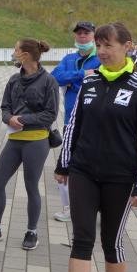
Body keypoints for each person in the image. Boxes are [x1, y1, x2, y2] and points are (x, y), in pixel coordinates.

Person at [47, 22, 137, 272]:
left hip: (120, 178)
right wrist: (64, 163)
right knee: (82, 238)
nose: (102, 51)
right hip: (84, 171)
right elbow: (74, 125)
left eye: (108, 45)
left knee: (111, 242)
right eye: (99, 45)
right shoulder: (90, 81)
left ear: (127, 45)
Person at [0, 38, 59, 250]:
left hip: (36, 141)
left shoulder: (49, 81)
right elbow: (5, 107)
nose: (13, 52)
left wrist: (22, 120)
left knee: (31, 186)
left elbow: (50, 114)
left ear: (25, 54)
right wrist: (8, 118)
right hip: (14, 140)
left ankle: (32, 232)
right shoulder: (13, 80)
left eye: (16, 49)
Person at [50, 22, 100, 223]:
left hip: (96, 120)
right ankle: (69, 207)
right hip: (71, 119)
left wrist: (72, 82)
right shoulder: (69, 58)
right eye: (79, 34)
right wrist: (81, 75)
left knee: (94, 164)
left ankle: (95, 206)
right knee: (66, 163)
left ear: (94, 36)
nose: (82, 37)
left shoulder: (101, 58)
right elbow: (55, 77)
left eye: (86, 33)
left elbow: (100, 79)